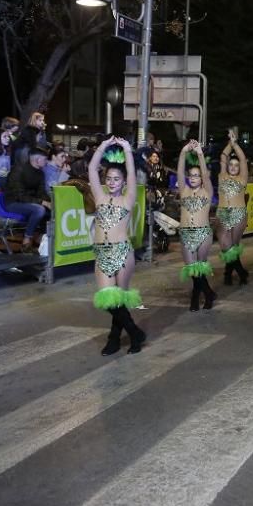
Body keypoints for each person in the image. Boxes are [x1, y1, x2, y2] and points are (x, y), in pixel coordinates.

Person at [87, 137, 145, 355]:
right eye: (109, 178)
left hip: (122, 253)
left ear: (123, 181)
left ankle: (114, 339)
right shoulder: (100, 197)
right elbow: (92, 168)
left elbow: (131, 174)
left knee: (119, 299)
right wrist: (102, 146)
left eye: (116, 179)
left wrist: (127, 150)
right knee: (108, 299)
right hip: (102, 254)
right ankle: (134, 332)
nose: (112, 182)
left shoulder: (128, 199)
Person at [177, 140, 216, 311]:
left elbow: (206, 175)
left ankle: (196, 298)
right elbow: (179, 170)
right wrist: (184, 152)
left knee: (200, 266)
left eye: (197, 175)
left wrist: (200, 153)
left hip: (203, 234)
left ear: (201, 178)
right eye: (191, 175)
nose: (193, 178)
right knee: (193, 269)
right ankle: (207, 293)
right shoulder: (183, 191)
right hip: (186, 234)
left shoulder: (207, 191)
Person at [216, 132, 249, 286]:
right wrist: (230, 143)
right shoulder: (222, 176)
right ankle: (241, 272)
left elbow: (242, 159)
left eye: (236, 165)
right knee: (226, 247)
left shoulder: (242, 178)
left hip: (239, 214)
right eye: (231, 164)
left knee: (233, 247)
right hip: (223, 214)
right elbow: (223, 157)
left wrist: (236, 144)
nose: (234, 167)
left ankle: (228, 274)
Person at [4, 147, 51, 253]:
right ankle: (27, 239)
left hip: (30, 201)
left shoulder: (40, 173)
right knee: (39, 209)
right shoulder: (18, 170)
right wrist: (42, 202)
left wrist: (50, 202)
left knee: (53, 208)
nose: (46, 162)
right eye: (45, 159)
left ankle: (43, 237)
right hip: (13, 202)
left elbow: (41, 192)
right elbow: (19, 195)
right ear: (38, 160)